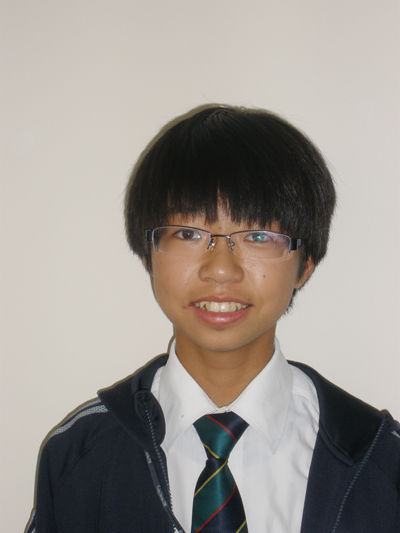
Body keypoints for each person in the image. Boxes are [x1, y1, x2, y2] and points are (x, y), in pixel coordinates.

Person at [25, 105, 400, 533]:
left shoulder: (381, 462)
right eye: (188, 234)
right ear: (148, 253)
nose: (221, 270)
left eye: (257, 235)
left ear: (306, 264)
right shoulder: (78, 456)